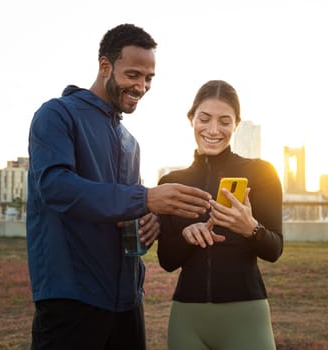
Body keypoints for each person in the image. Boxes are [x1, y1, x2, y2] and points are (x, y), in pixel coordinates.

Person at [26, 24, 212, 350]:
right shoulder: (56, 114)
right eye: (133, 74)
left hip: (127, 304)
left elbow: (127, 209)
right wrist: (145, 198)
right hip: (71, 300)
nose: (141, 86)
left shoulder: (131, 142)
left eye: (149, 78)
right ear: (105, 67)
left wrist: (148, 219)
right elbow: (55, 188)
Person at [157, 80, 283, 350]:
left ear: (236, 124)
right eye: (204, 119)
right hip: (187, 318)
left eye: (225, 121)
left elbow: (274, 250)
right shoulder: (171, 182)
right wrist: (186, 237)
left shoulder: (262, 172)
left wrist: (251, 228)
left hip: (246, 316)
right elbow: (166, 260)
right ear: (191, 119)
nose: (213, 130)